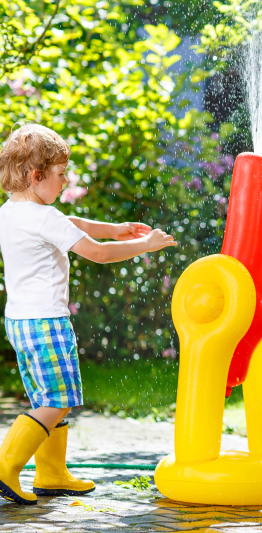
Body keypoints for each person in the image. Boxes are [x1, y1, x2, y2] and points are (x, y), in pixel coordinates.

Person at [0, 124, 177, 504]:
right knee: (58, 399)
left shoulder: (13, 212)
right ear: (36, 175)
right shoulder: (44, 218)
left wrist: (114, 230)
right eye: (61, 174)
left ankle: (51, 474)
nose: (65, 182)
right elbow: (96, 253)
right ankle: (5, 466)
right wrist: (145, 244)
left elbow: (72, 225)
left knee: (46, 397)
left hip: (19, 322)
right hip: (47, 322)